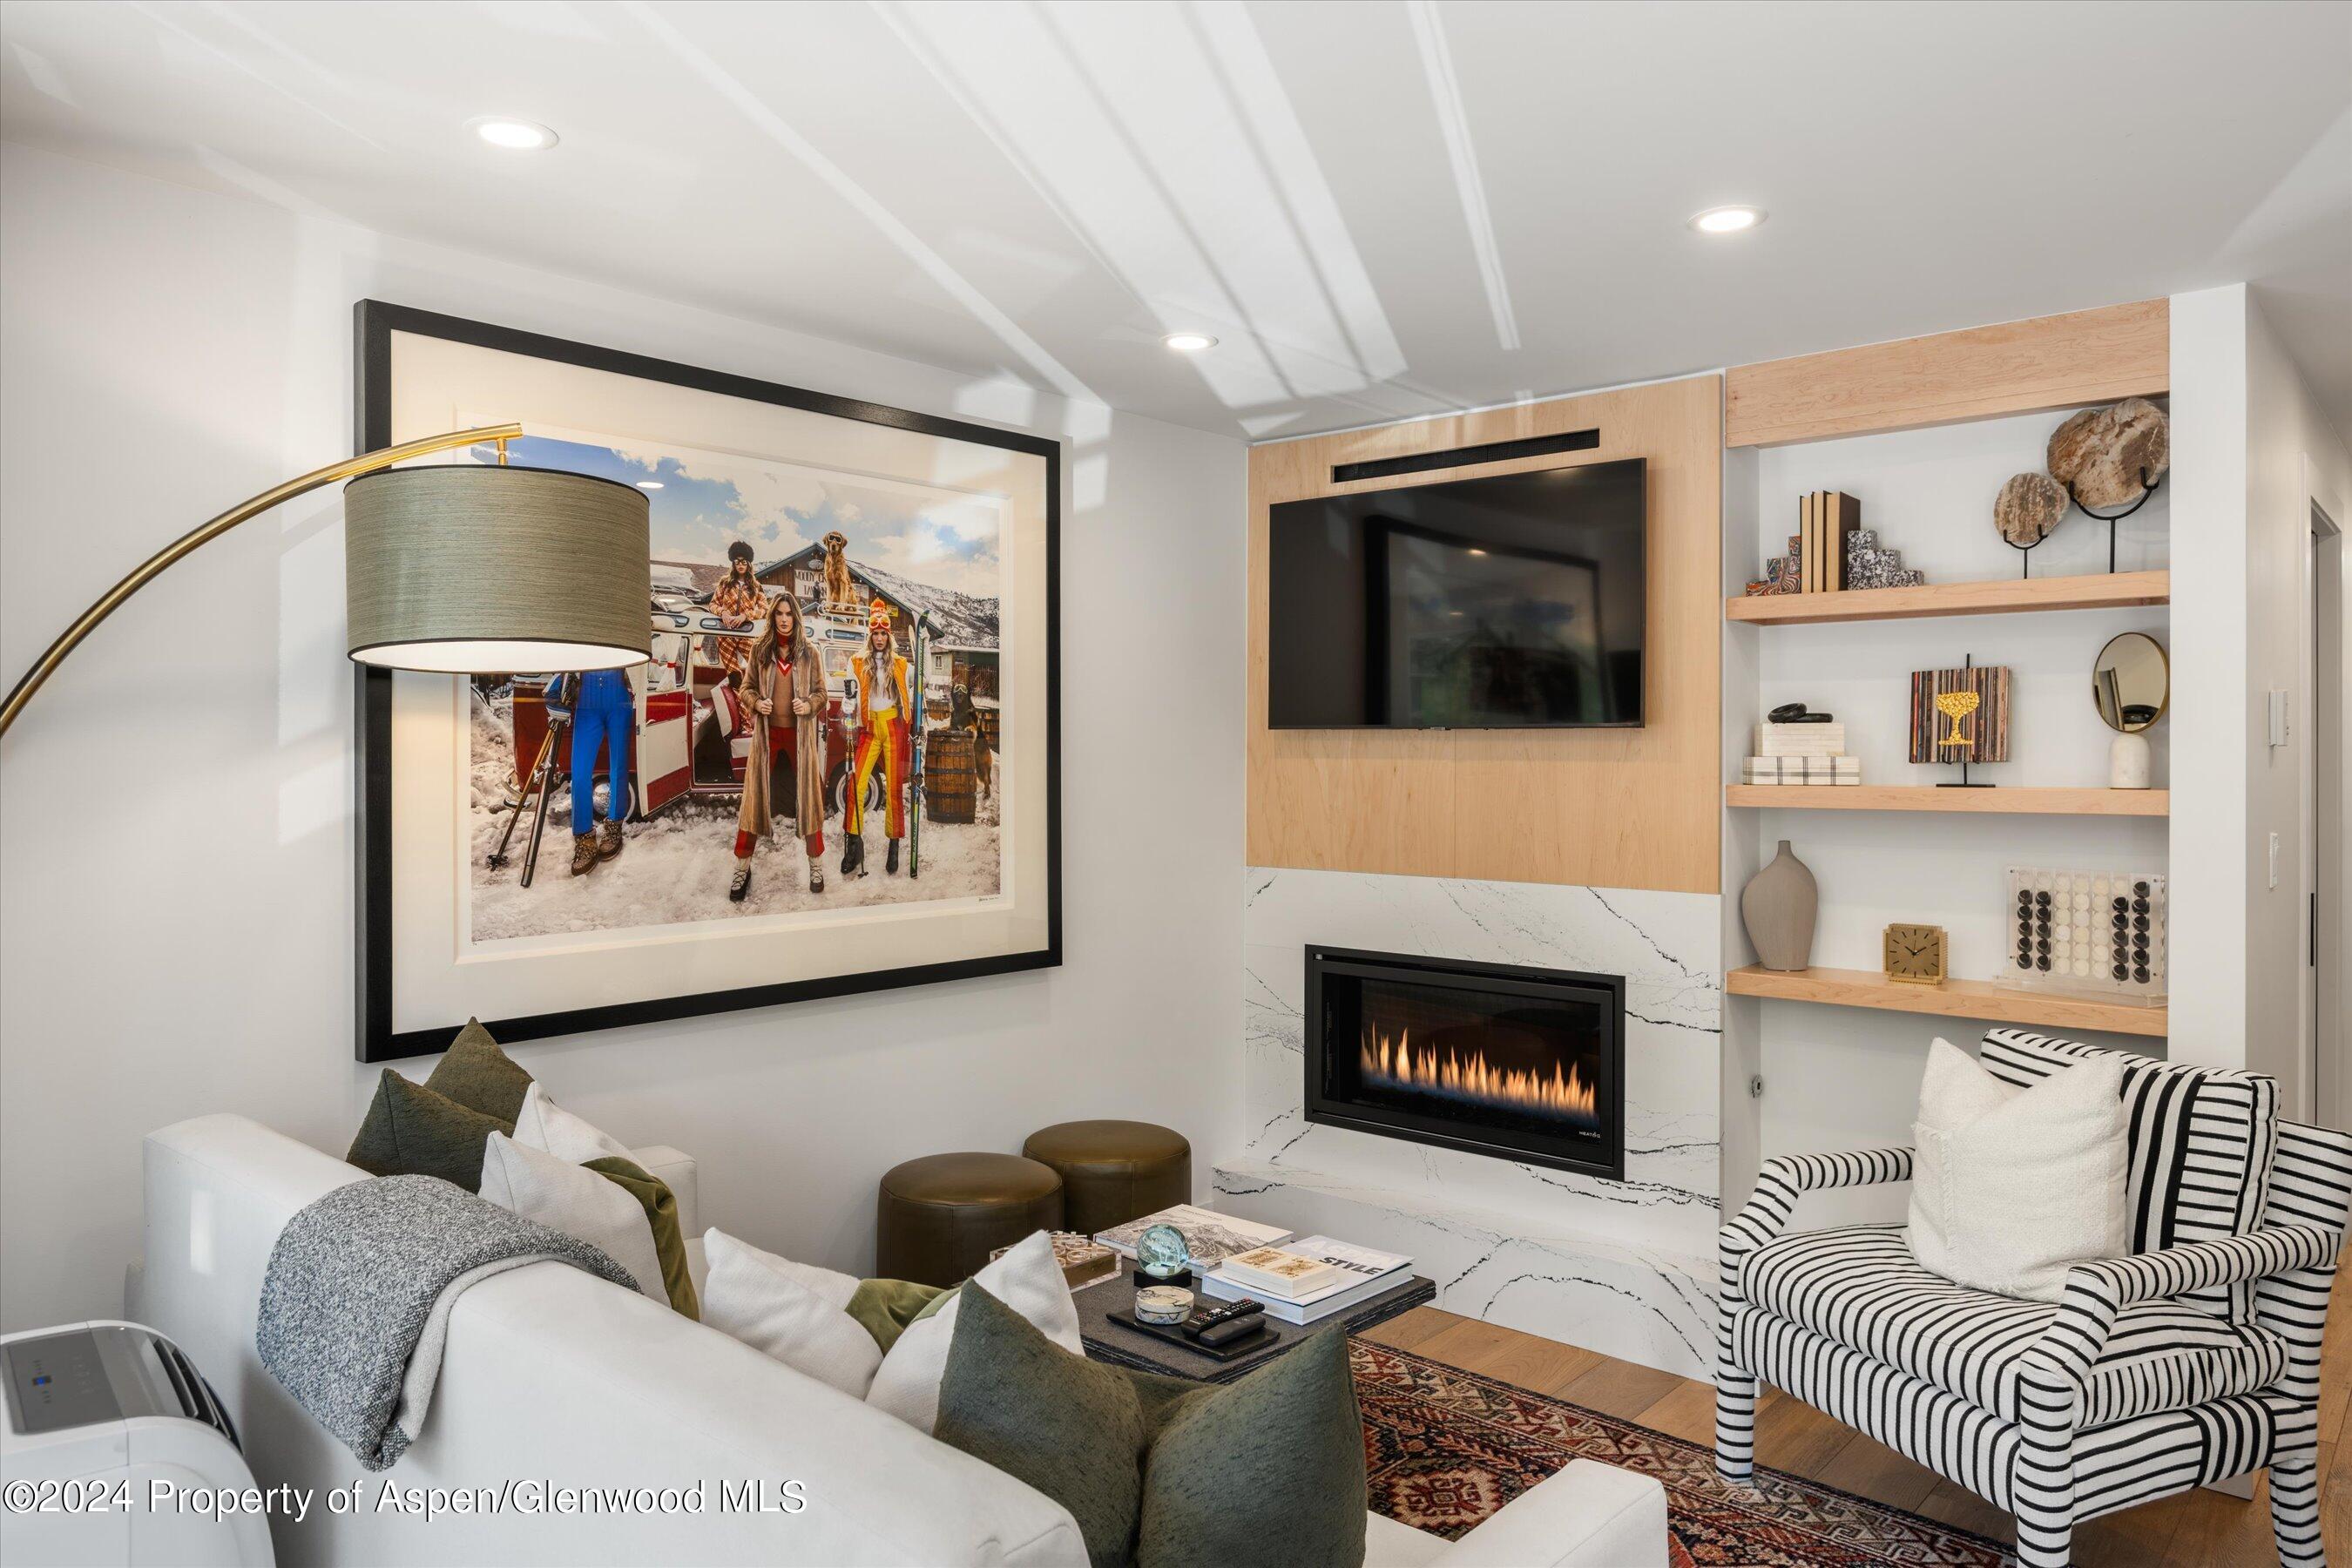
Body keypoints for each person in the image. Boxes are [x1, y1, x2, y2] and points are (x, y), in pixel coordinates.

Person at [729, 592, 828, 901]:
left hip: (800, 738)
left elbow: (823, 695)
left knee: (810, 800)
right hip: (768, 736)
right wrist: (757, 702)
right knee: (753, 802)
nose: (784, 619)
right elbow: (745, 688)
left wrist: (809, 705)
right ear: (773, 618)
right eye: (779, 614)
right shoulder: (760, 650)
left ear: (796, 618)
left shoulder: (810, 653)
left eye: (789, 614)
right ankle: (742, 868)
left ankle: (816, 865)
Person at [842, 598, 911, 877]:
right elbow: (849, 697)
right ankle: (853, 844)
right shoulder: (856, 662)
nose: (880, 638)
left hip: (894, 726)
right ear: (869, 635)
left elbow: (912, 693)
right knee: (856, 785)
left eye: (884, 633)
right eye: (876, 633)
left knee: (894, 788)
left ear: (889, 636)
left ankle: (893, 846)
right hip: (869, 728)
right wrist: (848, 714)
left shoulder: (902, 664)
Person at [556, 666, 635, 876]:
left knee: (618, 766)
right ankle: (584, 837)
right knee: (580, 773)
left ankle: (614, 825)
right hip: (587, 705)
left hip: (619, 702)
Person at [708, 541, 765, 680]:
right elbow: (712, 604)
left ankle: (756, 700)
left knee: (759, 670)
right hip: (725, 634)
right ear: (733, 564)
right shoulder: (725, 583)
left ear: (748, 564)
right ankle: (739, 700)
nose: (740, 565)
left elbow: (765, 609)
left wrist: (746, 615)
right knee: (734, 677)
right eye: (737, 561)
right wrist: (723, 612)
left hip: (747, 634)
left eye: (744, 562)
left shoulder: (756, 586)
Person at [950, 679, 991, 801]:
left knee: (983, 769)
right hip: (966, 746)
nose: (960, 695)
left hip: (980, 746)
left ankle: (987, 789)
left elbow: (974, 727)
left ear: (967, 696)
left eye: (962, 693)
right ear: (954, 696)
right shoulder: (954, 714)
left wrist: (970, 728)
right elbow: (952, 727)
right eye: (957, 693)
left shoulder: (971, 711)